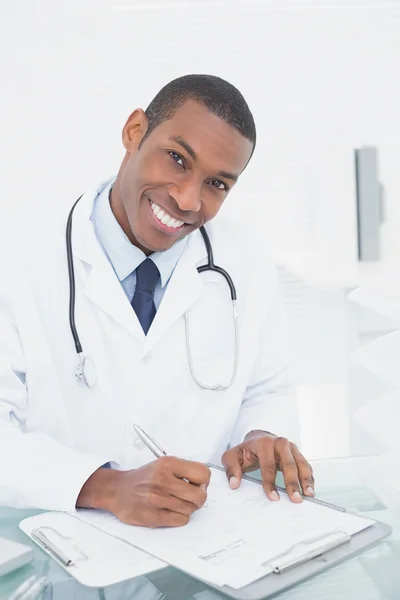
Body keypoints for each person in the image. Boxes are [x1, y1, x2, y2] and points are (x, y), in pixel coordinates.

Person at [0, 74, 314, 528]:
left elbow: (268, 388)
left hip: (198, 550)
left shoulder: (245, 259)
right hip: (57, 547)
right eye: (177, 158)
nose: (188, 200)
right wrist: (106, 487)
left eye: (217, 184)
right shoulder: (16, 253)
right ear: (133, 131)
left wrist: (259, 436)